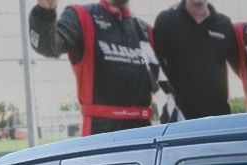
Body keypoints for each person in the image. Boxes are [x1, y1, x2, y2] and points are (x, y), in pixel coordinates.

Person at [29, 0, 155, 135]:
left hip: (144, 132)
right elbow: (49, 45)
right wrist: (45, 9)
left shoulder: (146, 31)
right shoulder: (81, 16)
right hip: (99, 133)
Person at [152, 0, 235, 119]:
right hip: (178, 120)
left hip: (218, 120)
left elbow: (244, 68)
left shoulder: (224, 24)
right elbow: (154, 68)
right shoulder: (166, 21)